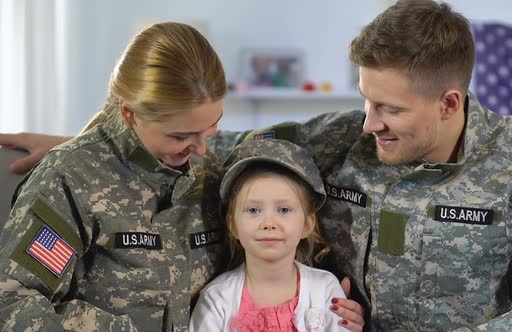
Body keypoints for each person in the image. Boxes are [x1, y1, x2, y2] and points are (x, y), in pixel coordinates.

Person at [3, 0, 512, 330]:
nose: (368, 123)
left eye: (389, 109)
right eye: (364, 99)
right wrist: (91, 143)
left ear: (449, 102)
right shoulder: (342, 140)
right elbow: (228, 143)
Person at [0, 22, 363, 331]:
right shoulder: (70, 179)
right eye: (180, 136)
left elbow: (308, 136)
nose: (202, 149)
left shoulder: (213, 166)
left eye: (211, 128)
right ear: (129, 114)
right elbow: (11, 303)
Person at [190, 139, 347, 331]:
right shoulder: (216, 298)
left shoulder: (324, 289)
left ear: (307, 224)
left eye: (284, 209)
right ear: (233, 224)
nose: (268, 223)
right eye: (254, 210)